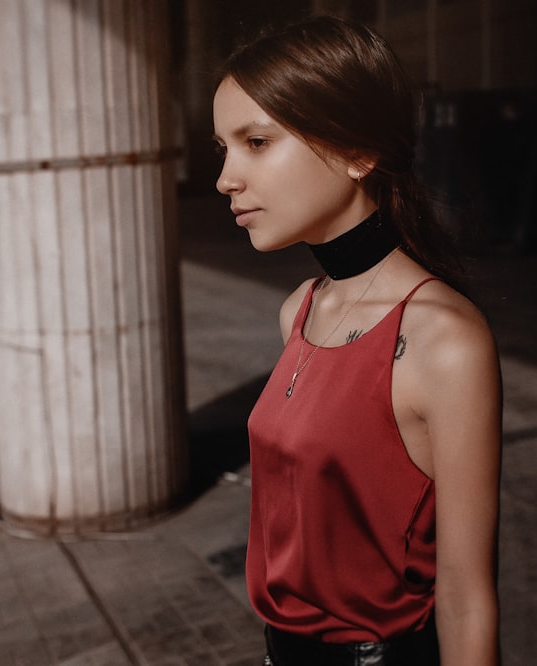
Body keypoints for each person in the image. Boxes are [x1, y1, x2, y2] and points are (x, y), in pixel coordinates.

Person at [212, 15, 502, 666]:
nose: (226, 178)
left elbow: (465, 597)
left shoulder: (444, 341)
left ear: (356, 150)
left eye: (256, 143)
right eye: (222, 149)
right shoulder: (299, 311)